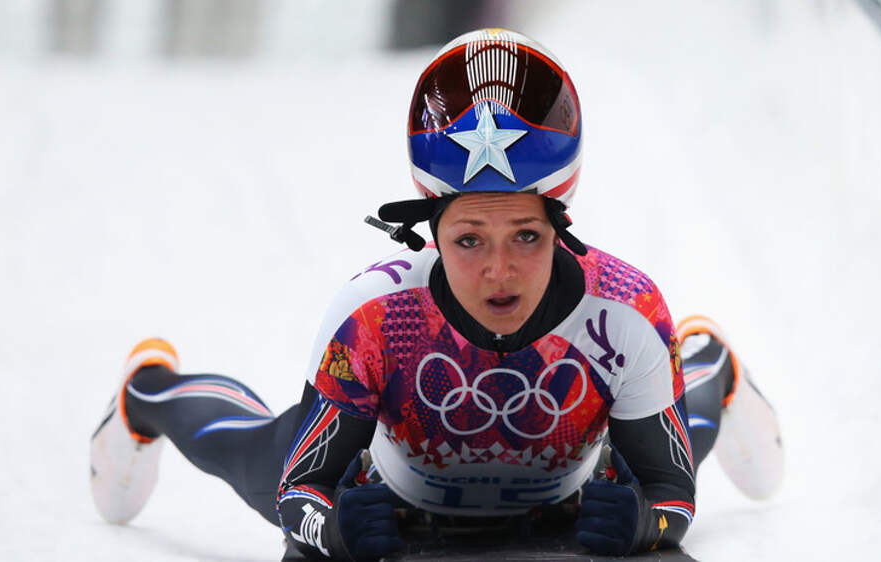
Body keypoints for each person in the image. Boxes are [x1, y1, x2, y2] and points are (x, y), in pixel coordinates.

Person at [90, 28, 784, 561]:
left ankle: (709, 362)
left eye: (526, 237)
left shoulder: (626, 311)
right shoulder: (373, 316)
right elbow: (297, 493)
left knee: (669, 429)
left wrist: (644, 524)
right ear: (429, 235)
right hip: (387, 487)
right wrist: (333, 528)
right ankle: (146, 388)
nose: (499, 272)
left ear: (561, 229)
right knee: (247, 449)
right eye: (469, 240)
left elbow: (671, 495)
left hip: (568, 493)